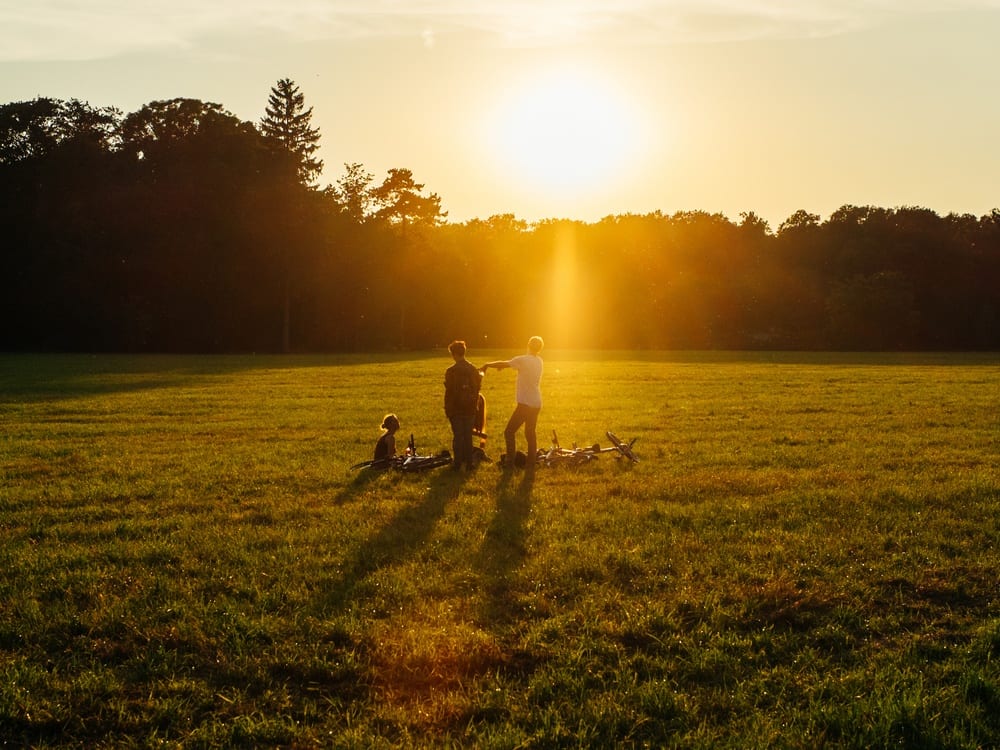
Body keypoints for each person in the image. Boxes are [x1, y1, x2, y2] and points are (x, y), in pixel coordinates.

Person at [481, 335, 544, 469]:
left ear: (528, 345)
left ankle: (509, 463)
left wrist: (487, 365)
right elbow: (511, 366)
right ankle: (531, 463)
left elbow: (504, 363)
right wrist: (504, 366)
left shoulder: (523, 360)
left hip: (525, 404)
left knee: (509, 432)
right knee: (530, 433)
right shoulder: (539, 361)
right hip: (536, 402)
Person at [444, 340, 483, 471]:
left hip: (455, 408)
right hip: (470, 408)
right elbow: (478, 388)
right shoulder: (473, 369)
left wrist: (448, 408)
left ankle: (457, 463)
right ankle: (470, 463)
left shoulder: (451, 371)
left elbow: (449, 390)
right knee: (468, 436)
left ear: (454, 354)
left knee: (458, 436)